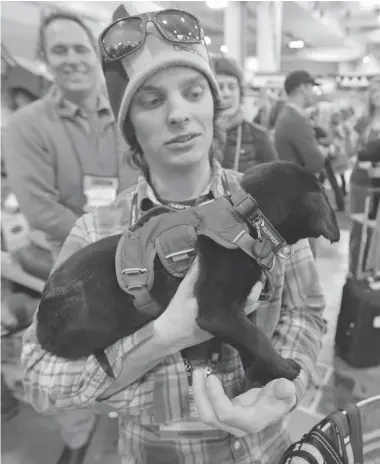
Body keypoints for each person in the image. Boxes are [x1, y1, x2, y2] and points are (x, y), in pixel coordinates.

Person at [21, 7, 326, 464]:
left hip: (268, 449)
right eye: (151, 100)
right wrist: (163, 337)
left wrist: (287, 386)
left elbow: (306, 313)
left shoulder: (271, 207)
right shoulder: (100, 231)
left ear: (213, 104)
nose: (180, 114)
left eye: (193, 91)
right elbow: (42, 379)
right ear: (130, 129)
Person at [4, 12, 137, 464]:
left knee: (133, 354)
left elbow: (143, 181)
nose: (72, 59)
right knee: (70, 358)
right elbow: (40, 207)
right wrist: (102, 241)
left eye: (81, 48)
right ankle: (78, 440)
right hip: (64, 268)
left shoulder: (128, 114)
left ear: (96, 56)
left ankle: (125, 431)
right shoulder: (25, 127)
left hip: (130, 258)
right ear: (44, 58)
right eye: (59, 50)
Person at [274, 70, 326, 257]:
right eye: (312, 88)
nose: (313, 93)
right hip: (301, 196)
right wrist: (323, 152)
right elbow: (315, 162)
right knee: (306, 256)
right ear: (303, 88)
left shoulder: (285, 115)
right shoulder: (296, 119)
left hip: (289, 193)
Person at [211, 54, 278, 173]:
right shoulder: (198, 135)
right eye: (220, 87)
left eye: (232, 87)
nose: (227, 93)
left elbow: (277, 181)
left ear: (240, 91)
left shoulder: (259, 136)